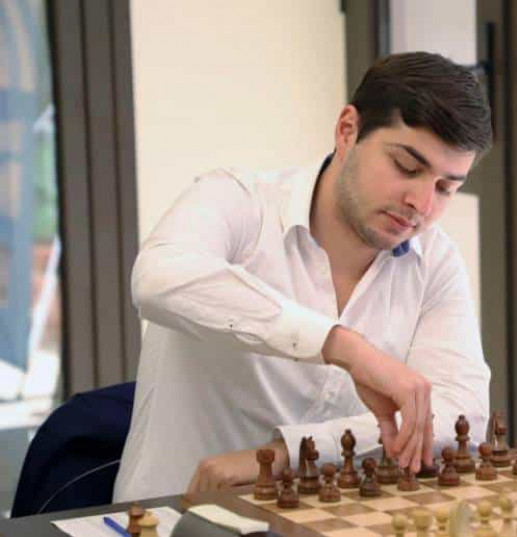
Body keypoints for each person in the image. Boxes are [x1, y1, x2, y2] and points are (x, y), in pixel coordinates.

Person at [114, 51, 493, 502]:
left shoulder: (434, 262)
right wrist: (343, 347)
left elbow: (460, 413)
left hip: (326, 522)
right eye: (406, 167)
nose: (422, 204)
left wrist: (287, 454)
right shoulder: (238, 200)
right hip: (174, 519)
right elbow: (158, 277)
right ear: (347, 131)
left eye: (446, 188)